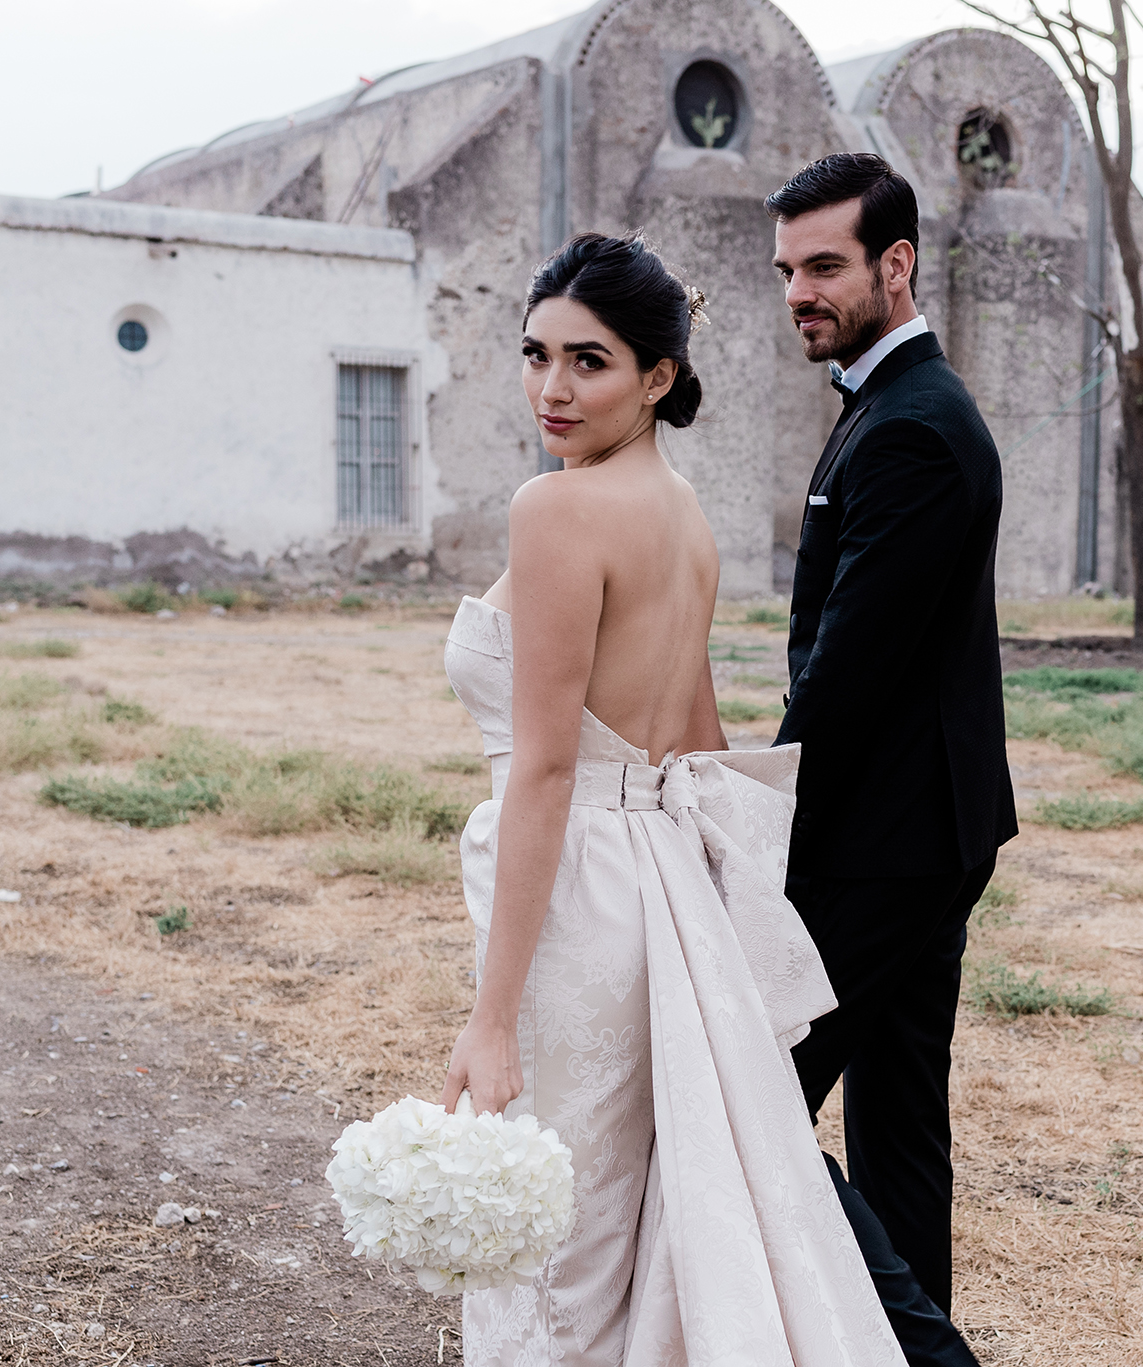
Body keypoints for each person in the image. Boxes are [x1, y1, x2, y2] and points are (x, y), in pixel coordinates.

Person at [438, 231, 902, 1366]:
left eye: (588, 361)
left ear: (658, 377)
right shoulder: (684, 515)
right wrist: (705, 928)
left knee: (550, 1225)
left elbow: (548, 769)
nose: (552, 387)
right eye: (535, 353)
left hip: (575, 893)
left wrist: (488, 1016)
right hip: (651, 887)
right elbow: (696, 742)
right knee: (614, 1207)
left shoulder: (556, 510)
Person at [765, 152, 1018, 1364]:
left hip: (882, 838)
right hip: (927, 828)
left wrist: (751, 822)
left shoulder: (914, 427)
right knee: (900, 1125)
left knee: (748, 1093)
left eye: (823, 265)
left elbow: (844, 678)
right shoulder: (888, 406)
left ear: (894, 263)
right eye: (786, 270)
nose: (798, 291)